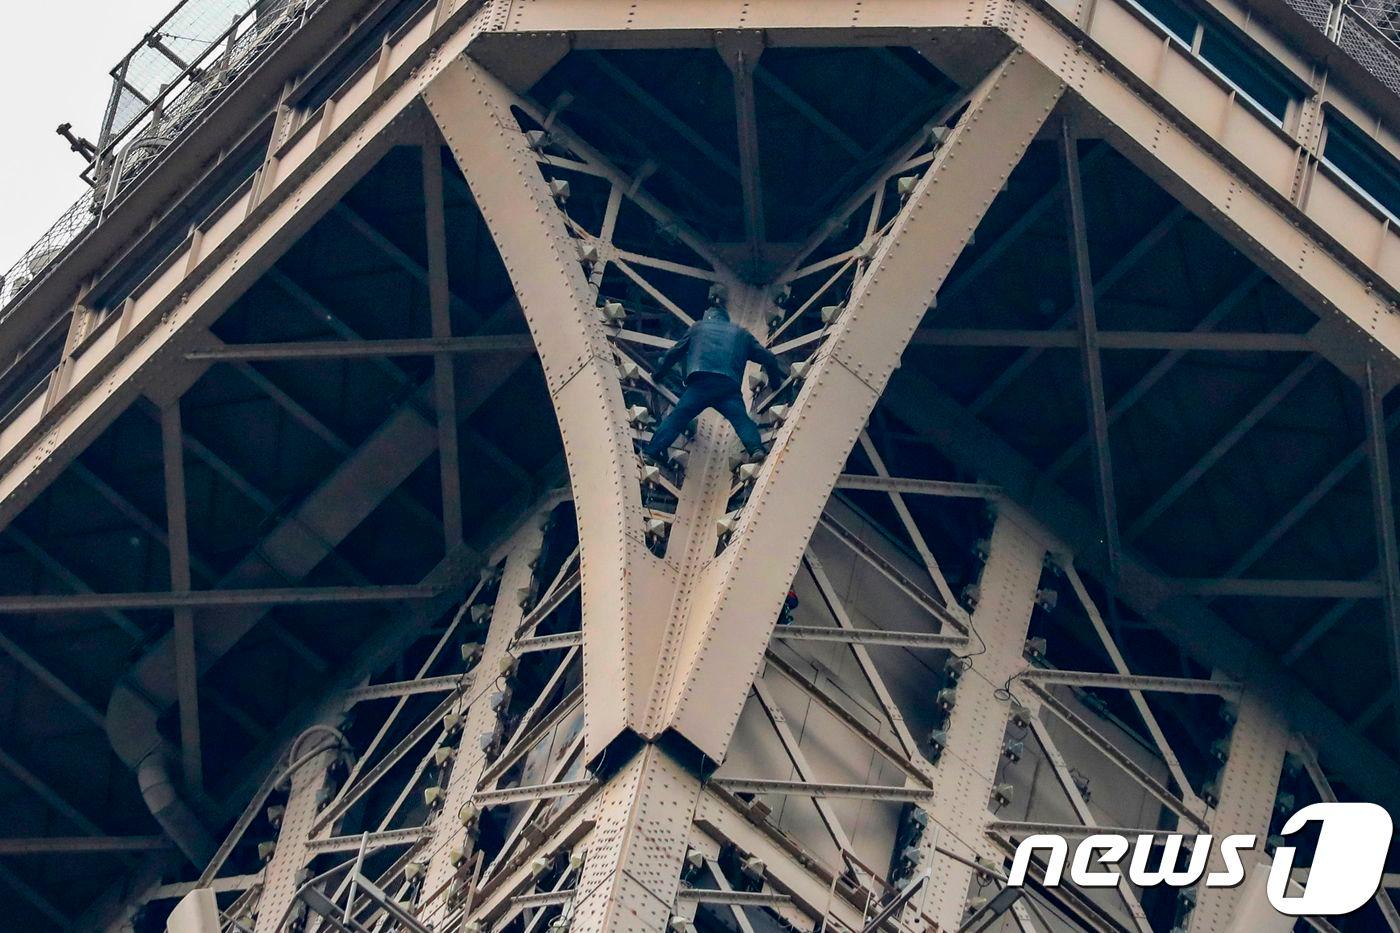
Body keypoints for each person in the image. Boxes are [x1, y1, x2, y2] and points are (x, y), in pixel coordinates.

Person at [642, 302, 787, 461]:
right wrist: (775, 384)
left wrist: (658, 375)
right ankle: (756, 449)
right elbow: (768, 358)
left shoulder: (698, 328)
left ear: (708, 317)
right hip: (728, 387)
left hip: (700, 383)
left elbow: (674, 353)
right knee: (741, 420)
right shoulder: (741, 334)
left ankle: (651, 452)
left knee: (678, 418)